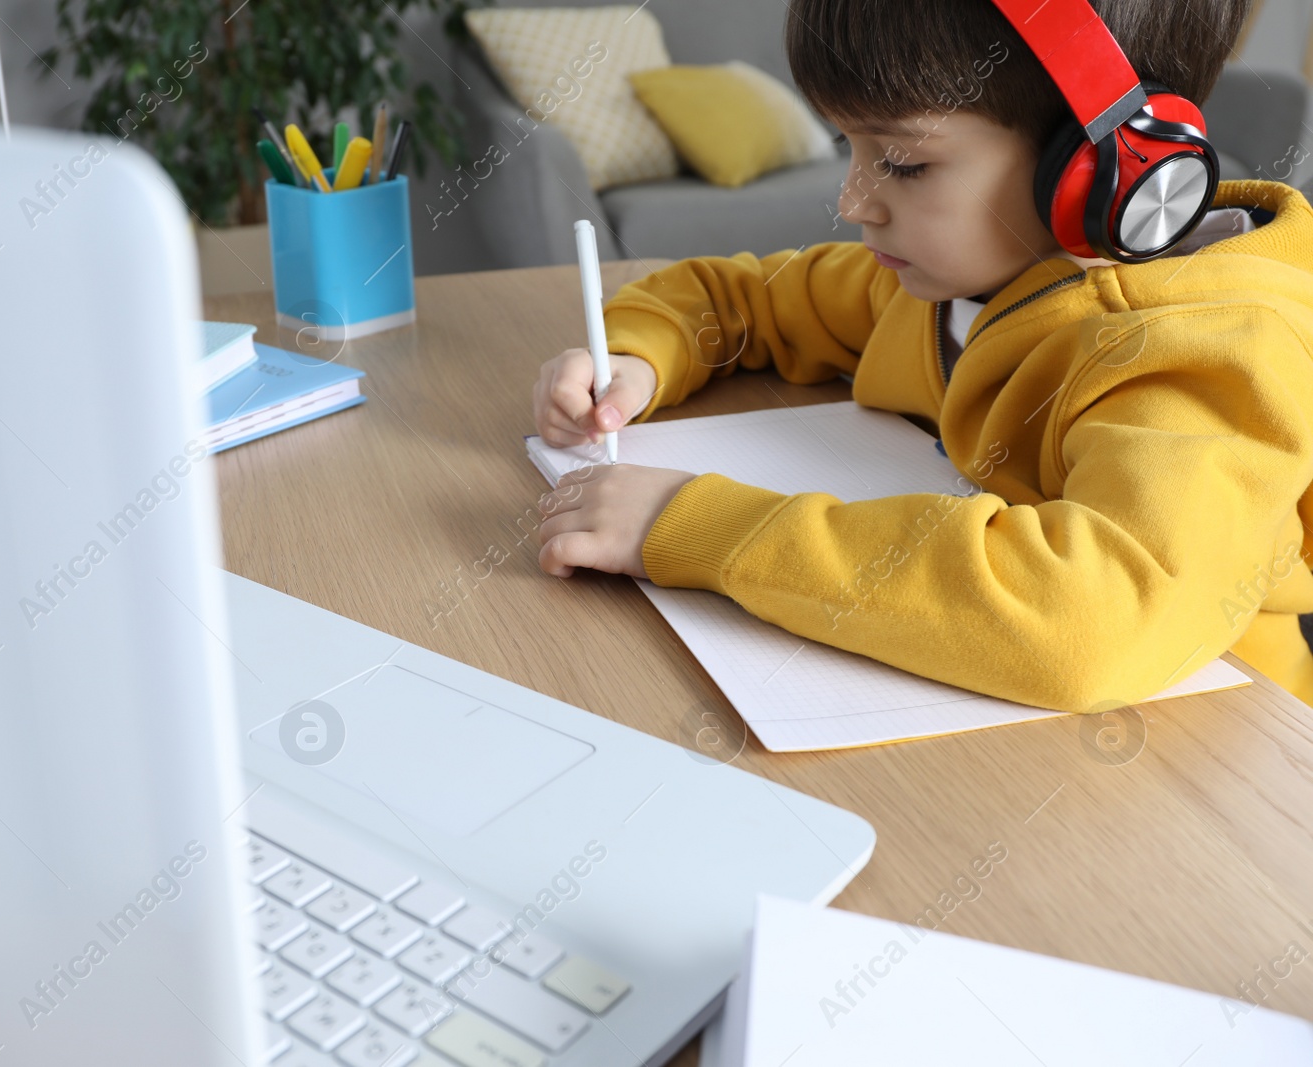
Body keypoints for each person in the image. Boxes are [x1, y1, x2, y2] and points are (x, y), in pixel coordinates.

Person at [530, 0, 1313, 711]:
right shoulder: (936, 290)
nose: (852, 200)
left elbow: (1088, 619)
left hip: (1218, 774)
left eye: (904, 163)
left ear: (1107, 173)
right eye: (850, 146)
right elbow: (740, 297)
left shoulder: (1207, 361)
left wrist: (695, 524)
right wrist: (636, 359)